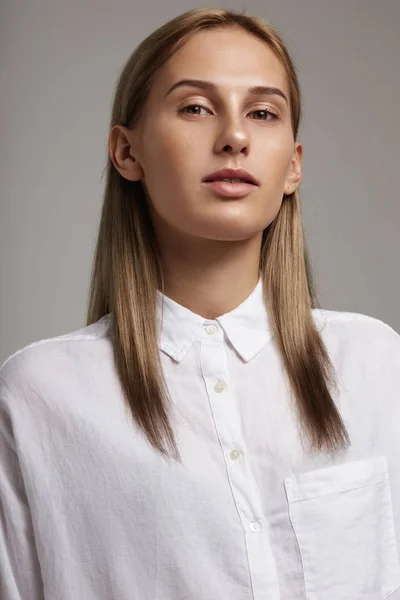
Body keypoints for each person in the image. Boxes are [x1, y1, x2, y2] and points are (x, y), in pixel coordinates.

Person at [1, 7, 399, 600]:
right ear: (126, 153)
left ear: (292, 165)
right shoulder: (40, 395)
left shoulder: (376, 364)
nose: (235, 136)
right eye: (195, 107)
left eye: (262, 113)